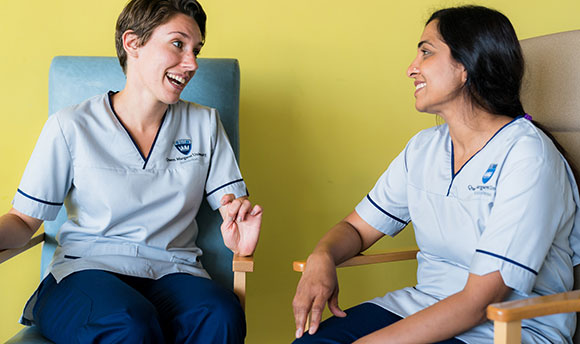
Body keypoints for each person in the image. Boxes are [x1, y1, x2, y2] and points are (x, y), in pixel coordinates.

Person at [292, 5, 580, 344]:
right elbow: (356, 228)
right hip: (423, 306)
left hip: (509, 326)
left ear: (466, 66)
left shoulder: (529, 156)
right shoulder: (424, 149)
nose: (411, 69)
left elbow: (479, 301)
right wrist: (321, 256)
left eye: (426, 53)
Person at [0, 0, 262, 343]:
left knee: (221, 314)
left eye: (196, 50)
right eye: (178, 44)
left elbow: (233, 206)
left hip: (174, 271)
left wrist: (237, 233)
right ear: (133, 43)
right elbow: (23, 221)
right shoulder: (71, 126)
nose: (192, 63)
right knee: (128, 322)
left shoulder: (205, 124)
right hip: (87, 270)